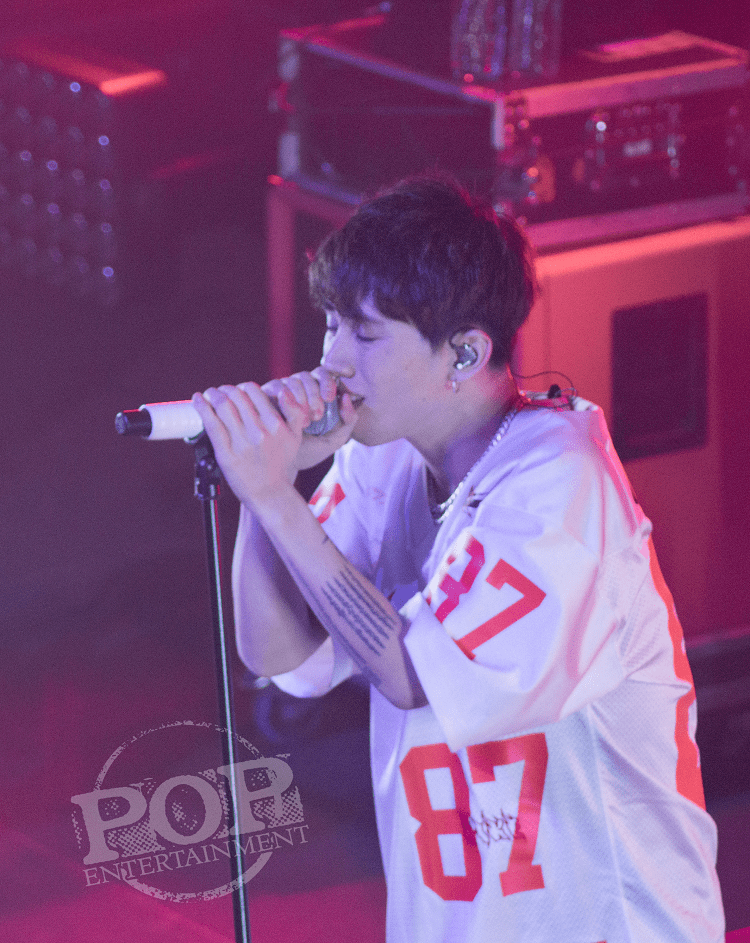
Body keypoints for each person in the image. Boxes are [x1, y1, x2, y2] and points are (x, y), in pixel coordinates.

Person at [192, 176, 725, 942]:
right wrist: (262, 490)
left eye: (365, 334)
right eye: (331, 326)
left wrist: (277, 497)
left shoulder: (559, 483)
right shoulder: (384, 457)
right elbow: (279, 654)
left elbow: (413, 675)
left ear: (465, 352)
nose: (332, 361)